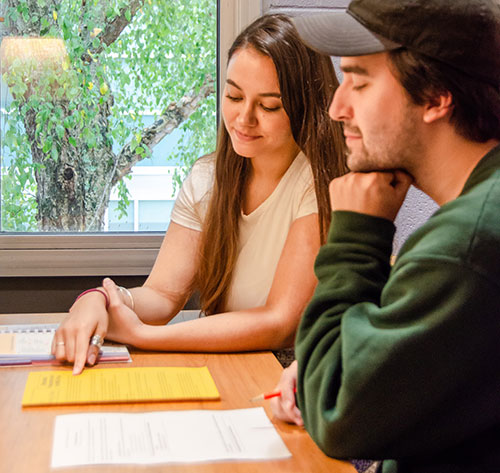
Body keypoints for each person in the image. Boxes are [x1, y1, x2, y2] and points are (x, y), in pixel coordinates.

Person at [270, 1, 500, 472]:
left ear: (436, 96)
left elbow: (338, 412)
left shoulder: (467, 245)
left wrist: (356, 234)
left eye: (359, 81)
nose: (337, 107)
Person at [52, 13, 347, 375]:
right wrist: (101, 299)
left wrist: (144, 336)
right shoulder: (208, 178)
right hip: (227, 367)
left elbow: (279, 322)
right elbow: (162, 295)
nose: (243, 119)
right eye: (234, 96)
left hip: (294, 376)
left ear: (305, 107)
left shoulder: (321, 183)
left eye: (268, 106)